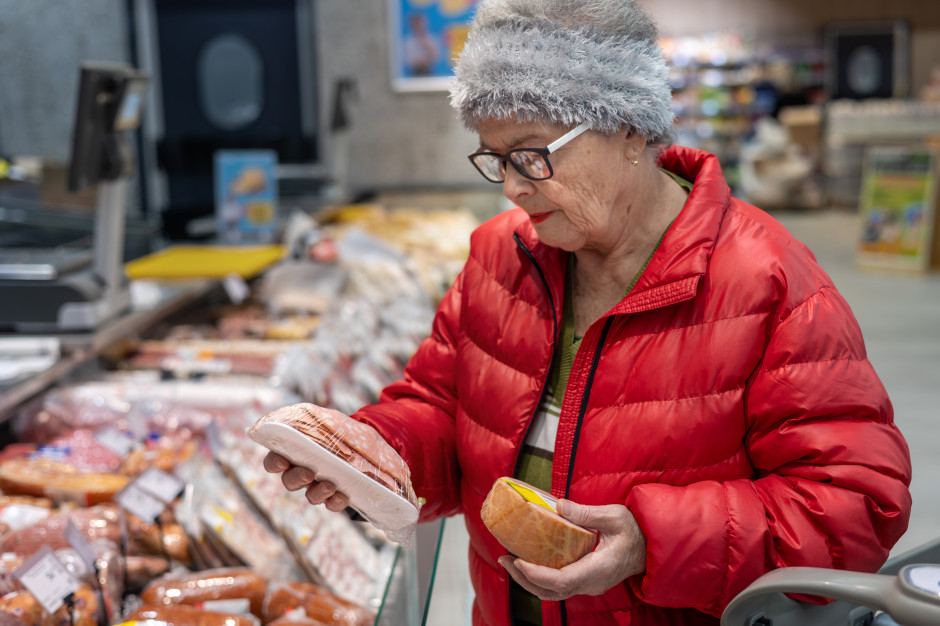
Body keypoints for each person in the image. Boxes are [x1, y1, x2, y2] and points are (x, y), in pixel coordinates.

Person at [264, 1, 913, 624]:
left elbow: (855, 509)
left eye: (532, 154)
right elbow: (440, 406)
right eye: (496, 159)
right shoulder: (500, 257)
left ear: (628, 127)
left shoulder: (766, 283)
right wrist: (378, 452)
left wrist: (651, 542)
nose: (514, 188)